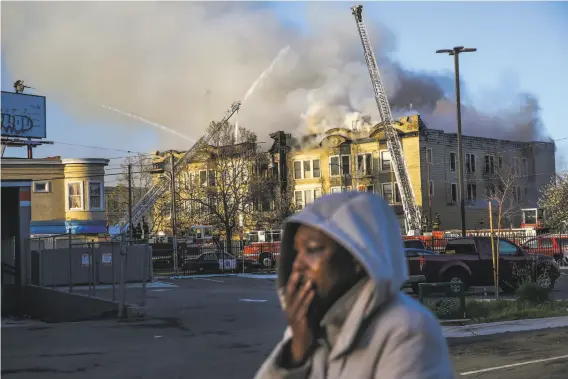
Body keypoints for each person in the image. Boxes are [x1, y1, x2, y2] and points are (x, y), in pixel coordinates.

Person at [254, 192, 454, 379]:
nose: (297, 264)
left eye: (313, 250)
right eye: (296, 251)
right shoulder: (307, 326)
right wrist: (296, 354)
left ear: (358, 258)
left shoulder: (407, 329)